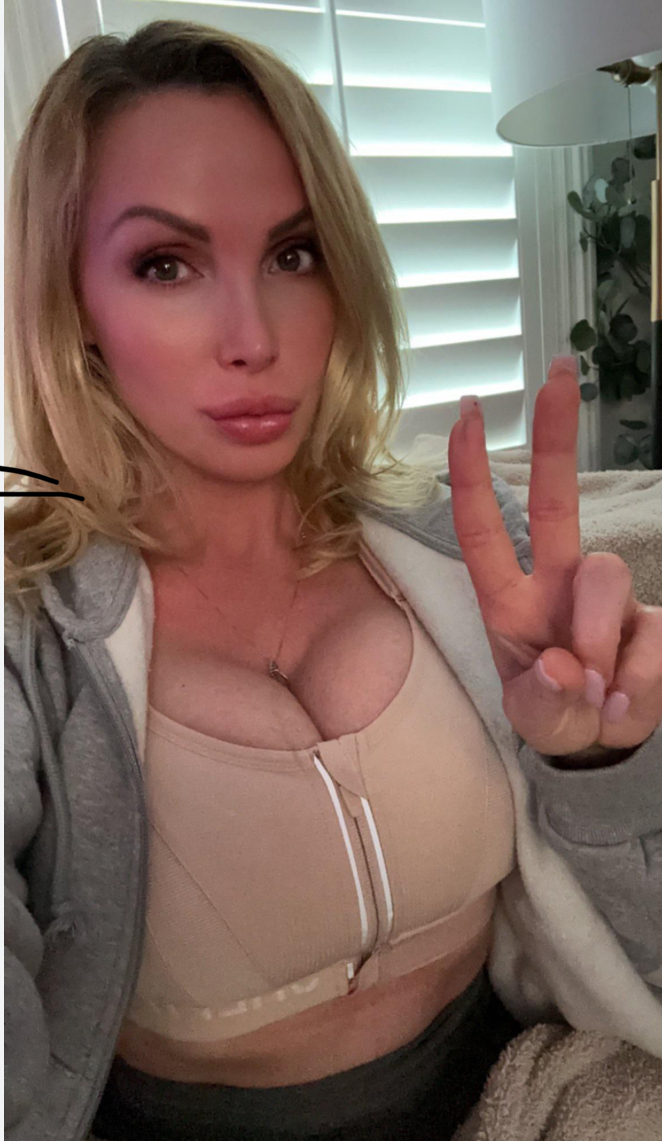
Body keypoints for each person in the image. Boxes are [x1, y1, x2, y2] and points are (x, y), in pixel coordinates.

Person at [4, 18, 662, 1141]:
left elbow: (635, 941)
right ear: (76, 310)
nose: (252, 336)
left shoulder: (462, 548)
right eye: (165, 265)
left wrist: (597, 760)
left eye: (293, 254)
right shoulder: (30, 635)